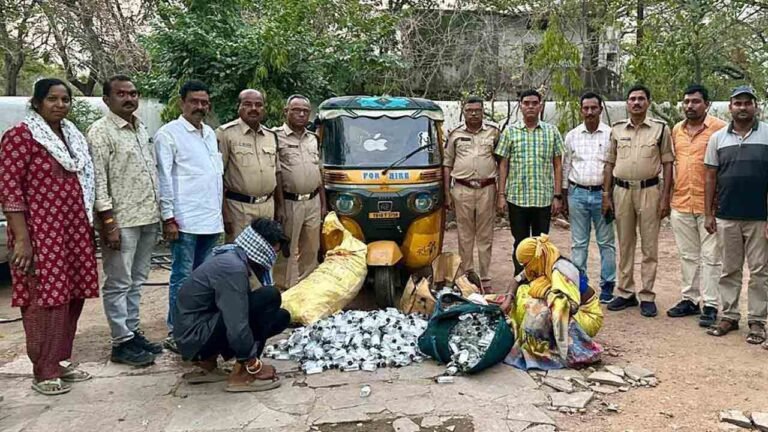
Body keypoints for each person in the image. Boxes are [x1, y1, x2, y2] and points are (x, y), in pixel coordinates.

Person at [0, 78, 99, 395]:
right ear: (37, 102)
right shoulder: (20, 137)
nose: (60, 105)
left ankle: (60, 360)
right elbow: (10, 191)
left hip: (74, 230)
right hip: (40, 234)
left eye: (65, 99)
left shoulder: (72, 137)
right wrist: (22, 240)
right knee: (45, 298)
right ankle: (44, 370)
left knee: (73, 294)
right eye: (52, 99)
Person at [87, 75, 164, 366]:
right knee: (119, 281)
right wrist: (108, 222)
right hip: (121, 222)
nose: (129, 98)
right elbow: (98, 180)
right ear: (107, 99)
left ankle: (132, 332)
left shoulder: (140, 127)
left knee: (137, 279)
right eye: (121, 94)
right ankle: (120, 342)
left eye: (133, 93)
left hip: (147, 216)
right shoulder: (100, 132)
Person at [173, 218, 291, 392]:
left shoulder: (232, 258)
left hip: (197, 330)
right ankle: (243, 373)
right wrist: (252, 362)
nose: (273, 257)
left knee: (280, 317)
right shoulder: (232, 268)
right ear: (262, 247)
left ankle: (208, 363)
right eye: (274, 251)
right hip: (194, 337)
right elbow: (236, 321)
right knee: (269, 297)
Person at [155, 80, 224, 353]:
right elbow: (163, 178)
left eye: (204, 102)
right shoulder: (168, 134)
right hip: (185, 221)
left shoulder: (209, 134)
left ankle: (197, 328)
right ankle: (177, 331)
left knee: (204, 279)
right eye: (194, 101)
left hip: (210, 220)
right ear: (182, 103)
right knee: (182, 277)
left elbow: (213, 177)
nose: (200, 107)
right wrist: (168, 217)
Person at [704, 85, 768, 349]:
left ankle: (757, 320)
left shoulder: (767, 134)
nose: (742, 107)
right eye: (738, 103)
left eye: (747, 103)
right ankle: (729, 316)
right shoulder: (717, 138)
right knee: (729, 269)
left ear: (755, 106)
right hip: (727, 215)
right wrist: (708, 213)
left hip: (759, 217)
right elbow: (710, 177)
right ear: (730, 107)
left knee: (760, 271)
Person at [602, 84, 673, 318]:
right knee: (625, 243)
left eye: (641, 99)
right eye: (632, 99)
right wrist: (606, 195)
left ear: (648, 103)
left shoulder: (660, 129)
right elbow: (609, 163)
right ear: (627, 103)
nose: (636, 103)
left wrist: (665, 198)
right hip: (621, 191)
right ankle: (625, 292)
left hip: (649, 190)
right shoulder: (616, 129)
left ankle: (647, 295)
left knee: (649, 246)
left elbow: (668, 164)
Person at [666, 84, 726, 327]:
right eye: (687, 101)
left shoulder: (720, 129)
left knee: (712, 257)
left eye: (696, 101)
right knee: (687, 256)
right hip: (681, 202)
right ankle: (689, 299)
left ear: (707, 104)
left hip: (709, 205)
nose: (690, 106)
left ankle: (710, 304)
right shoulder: (676, 130)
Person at [502, 235, 603, 370]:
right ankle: (530, 336)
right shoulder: (543, 260)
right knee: (522, 291)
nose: (526, 268)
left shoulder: (560, 272)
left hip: (584, 315)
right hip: (562, 310)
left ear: (535, 258)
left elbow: (567, 308)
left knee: (537, 309)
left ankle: (544, 350)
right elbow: (516, 280)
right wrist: (508, 299)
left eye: (526, 264)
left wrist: (544, 294)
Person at [496, 89, 564, 274]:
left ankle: (540, 280)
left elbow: (558, 165)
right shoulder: (510, 132)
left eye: (535, 103)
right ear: (520, 106)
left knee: (542, 244)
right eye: (526, 103)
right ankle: (520, 282)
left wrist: (557, 196)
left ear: (540, 106)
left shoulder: (551, 131)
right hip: (517, 199)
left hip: (543, 199)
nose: (531, 107)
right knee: (520, 244)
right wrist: (501, 195)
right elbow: (503, 165)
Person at [561, 92, 616, 303]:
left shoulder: (610, 134)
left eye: (594, 108)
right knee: (579, 243)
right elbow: (566, 166)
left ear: (601, 109)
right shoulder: (572, 135)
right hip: (577, 193)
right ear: (581, 110)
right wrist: (563, 195)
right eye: (586, 108)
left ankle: (608, 285)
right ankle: (579, 285)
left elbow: (614, 166)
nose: (590, 112)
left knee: (606, 242)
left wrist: (609, 195)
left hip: (603, 195)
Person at [443, 96, 500, 290]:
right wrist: (446, 193)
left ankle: (485, 277)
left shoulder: (493, 132)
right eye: (469, 110)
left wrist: (501, 193)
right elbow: (447, 164)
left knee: (486, 235)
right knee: (464, 235)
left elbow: (502, 162)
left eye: (477, 110)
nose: (473, 113)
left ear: (483, 111)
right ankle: (468, 276)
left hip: (487, 189)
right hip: (462, 189)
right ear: (463, 111)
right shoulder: (455, 134)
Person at [216, 89, 285, 243]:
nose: (254, 108)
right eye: (247, 104)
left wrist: (280, 207)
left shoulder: (271, 136)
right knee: (239, 253)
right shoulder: (225, 134)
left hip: (267, 207)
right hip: (238, 209)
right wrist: (224, 212)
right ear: (239, 107)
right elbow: (217, 175)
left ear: (264, 108)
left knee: (265, 251)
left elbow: (277, 173)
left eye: (258, 105)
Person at [272, 95, 326, 289]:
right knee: (285, 250)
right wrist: (279, 206)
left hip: (313, 202)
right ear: (286, 111)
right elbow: (276, 173)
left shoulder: (313, 138)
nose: (302, 114)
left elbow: (318, 173)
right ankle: (282, 292)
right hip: (289, 202)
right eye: (296, 110)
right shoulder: (275, 137)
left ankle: (306, 293)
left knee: (311, 250)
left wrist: (323, 205)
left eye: (305, 111)